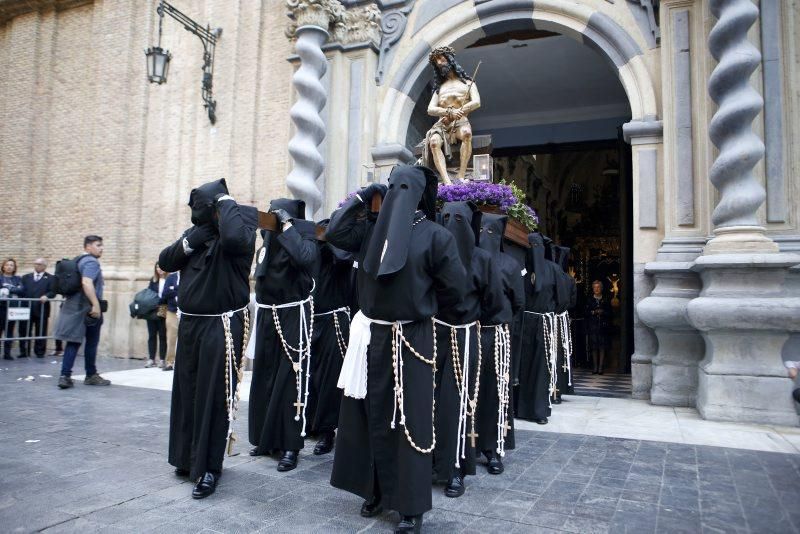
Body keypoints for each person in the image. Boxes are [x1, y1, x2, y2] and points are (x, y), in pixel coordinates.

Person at [327, 165, 466, 534]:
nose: (396, 193)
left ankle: (410, 505)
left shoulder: (436, 236)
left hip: (412, 338)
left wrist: (421, 307)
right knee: (369, 414)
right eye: (391, 187)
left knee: (409, 420)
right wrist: (362, 194)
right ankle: (372, 490)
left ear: (418, 193)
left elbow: (456, 290)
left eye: (403, 187)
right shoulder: (371, 231)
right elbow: (335, 232)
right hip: (372, 337)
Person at [158, 178, 256, 499]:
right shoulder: (194, 237)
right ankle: (186, 458)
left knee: (214, 396)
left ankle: (210, 468)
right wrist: (190, 242)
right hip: (191, 327)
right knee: (187, 393)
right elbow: (165, 260)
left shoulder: (239, 234)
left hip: (221, 326)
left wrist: (225, 199)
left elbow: (233, 239)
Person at [432, 201, 503, 498]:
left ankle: (456, 468)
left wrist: (473, 321)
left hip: (465, 336)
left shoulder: (482, 259)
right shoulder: (434, 253)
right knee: (430, 400)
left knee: (458, 403)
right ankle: (429, 462)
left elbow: (494, 301)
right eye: (446, 217)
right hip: (434, 333)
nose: (452, 224)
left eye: (458, 219)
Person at [247, 198, 318, 472]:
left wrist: (287, 227)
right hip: (266, 313)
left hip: (292, 313)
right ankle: (266, 439)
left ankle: (291, 444)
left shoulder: (305, 234)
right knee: (265, 377)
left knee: (291, 379)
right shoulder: (266, 242)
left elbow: (305, 258)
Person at [474, 213, 525, 475]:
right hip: (471, 334)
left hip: (496, 335)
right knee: (470, 391)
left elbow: (518, 302)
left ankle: (492, 447)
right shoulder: (468, 259)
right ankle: (468, 443)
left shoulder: (509, 265)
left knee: (495, 392)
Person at [306, 219, 354, 456]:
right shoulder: (312, 251)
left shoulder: (340, 253)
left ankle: (327, 431)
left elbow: (345, 258)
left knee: (329, 378)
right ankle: (312, 424)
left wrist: (331, 238)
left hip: (335, 321)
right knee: (312, 376)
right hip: (312, 319)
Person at [515, 233, 560, 424]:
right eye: (530, 245)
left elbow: (562, 298)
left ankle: (539, 411)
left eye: (537, 245)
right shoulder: (522, 269)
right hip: (525, 323)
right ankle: (521, 408)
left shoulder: (553, 270)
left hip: (543, 323)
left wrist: (548, 313)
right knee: (522, 366)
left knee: (541, 367)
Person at [55, 237, 111, 388]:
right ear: (88, 247)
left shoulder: (78, 260)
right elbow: (87, 282)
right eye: (98, 245)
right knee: (90, 343)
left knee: (73, 342)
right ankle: (90, 375)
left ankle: (65, 376)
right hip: (87, 309)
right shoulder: (91, 262)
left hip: (74, 307)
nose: (102, 248)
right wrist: (95, 305)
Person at [20, 258, 56, 358]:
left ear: (44, 266)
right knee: (25, 330)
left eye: (39, 264)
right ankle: (24, 352)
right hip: (27, 309)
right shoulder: (26, 277)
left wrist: (47, 296)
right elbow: (22, 291)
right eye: (35, 264)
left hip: (42, 309)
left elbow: (53, 292)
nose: (37, 266)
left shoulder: (51, 278)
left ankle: (39, 352)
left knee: (41, 331)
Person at [585, 280, 612, 375]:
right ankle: (595, 366)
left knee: (602, 347)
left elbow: (610, 312)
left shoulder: (606, 299)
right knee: (594, 347)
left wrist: (603, 312)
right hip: (593, 326)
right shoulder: (589, 300)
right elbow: (585, 312)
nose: (596, 289)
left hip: (603, 326)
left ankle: (601, 367)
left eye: (598, 287)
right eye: (595, 287)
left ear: (601, 288)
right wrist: (593, 312)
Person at [1, 258, 25, 360]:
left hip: (13, 308)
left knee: (9, 331)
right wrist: (14, 289)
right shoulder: (0, 278)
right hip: (1, 307)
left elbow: (21, 290)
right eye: (7, 265)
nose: (9, 267)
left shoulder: (18, 279)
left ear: (14, 267)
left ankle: (7, 353)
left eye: (11, 265)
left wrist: (8, 288)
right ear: (3, 266)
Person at [144, 263, 168, 368]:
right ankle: (151, 359)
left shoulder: (169, 280)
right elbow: (148, 294)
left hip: (163, 310)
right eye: (157, 267)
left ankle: (162, 359)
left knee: (162, 335)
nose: (159, 269)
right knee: (152, 335)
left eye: (161, 267)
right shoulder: (152, 280)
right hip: (152, 311)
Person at [162, 271, 179, 371]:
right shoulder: (171, 277)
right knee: (171, 338)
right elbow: (165, 293)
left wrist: (174, 288)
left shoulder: (188, 274)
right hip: (172, 312)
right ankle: (170, 362)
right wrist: (178, 289)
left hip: (186, 312)